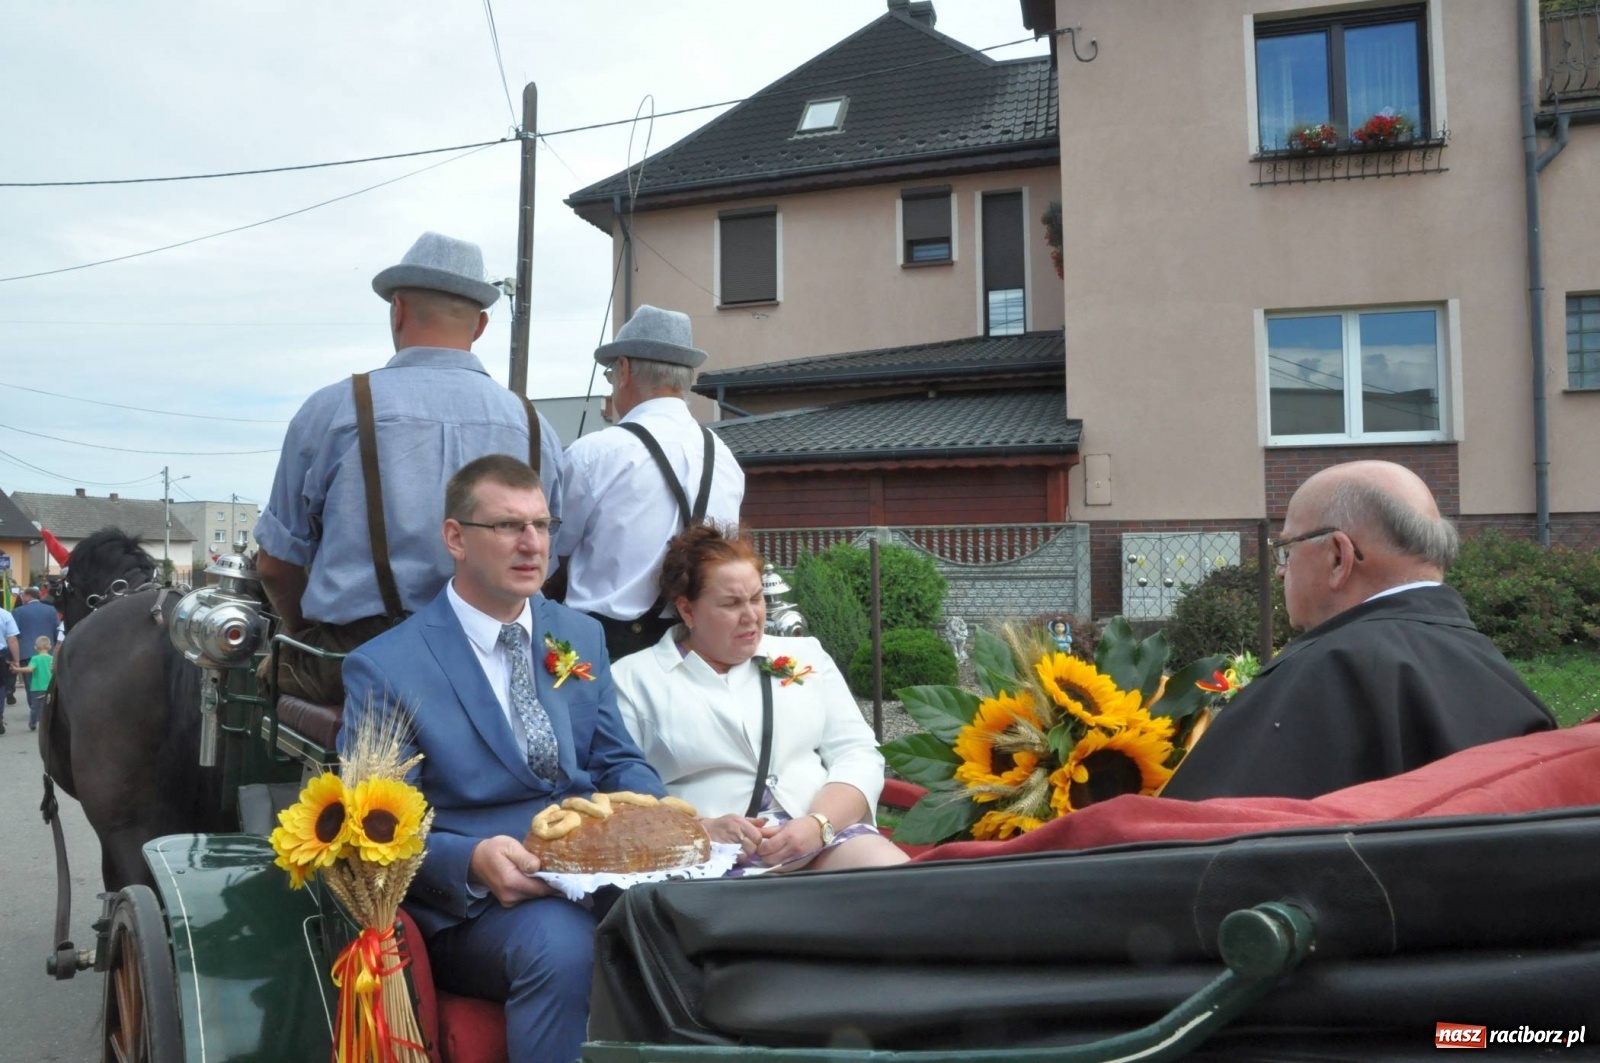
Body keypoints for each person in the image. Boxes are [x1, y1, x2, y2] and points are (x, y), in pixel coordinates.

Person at [339, 454, 670, 1063]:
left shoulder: (578, 634)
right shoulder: (386, 667)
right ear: (455, 539)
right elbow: (370, 829)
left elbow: (619, 761)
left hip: (593, 871)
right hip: (478, 907)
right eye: (508, 526)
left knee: (700, 914)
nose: (531, 544)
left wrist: (655, 815)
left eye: (543, 526)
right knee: (563, 945)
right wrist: (470, 861)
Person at [255, 232, 564, 705]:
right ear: (480, 326)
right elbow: (546, 562)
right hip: (498, 664)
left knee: (251, 679)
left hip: (358, 662)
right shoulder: (535, 425)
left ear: (397, 310)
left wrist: (304, 634)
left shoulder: (334, 411)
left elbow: (276, 567)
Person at [1162, 460, 1555, 801]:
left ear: (1338, 557)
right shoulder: (1498, 676)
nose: (1281, 569)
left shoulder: (1324, 670)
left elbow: (1193, 842)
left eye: (1286, 550)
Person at [613, 524, 909, 873]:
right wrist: (698, 830)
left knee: (900, 883)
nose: (751, 616)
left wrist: (819, 824)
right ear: (687, 610)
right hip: (710, 858)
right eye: (731, 604)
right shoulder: (632, 680)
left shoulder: (806, 655)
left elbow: (857, 752)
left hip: (821, 840)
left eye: (756, 598)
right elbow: (621, 792)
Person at [554, 305, 743, 660]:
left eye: (612, 372)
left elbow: (552, 548)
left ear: (623, 370)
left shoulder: (594, 454)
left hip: (605, 650)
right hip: (697, 649)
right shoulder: (725, 459)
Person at [13, 635, 52, 732]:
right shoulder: (52, 658)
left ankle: (33, 723)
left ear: (35, 647)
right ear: (49, 647)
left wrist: (17, 669)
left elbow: (30, 669)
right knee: (48, 707)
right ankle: (48, 723)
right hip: (49, 687)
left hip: (37, 687)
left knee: (35, 707)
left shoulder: (35, 658)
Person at [13, 586, 57, 658]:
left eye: (23, 596)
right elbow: (57, 632)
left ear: (28, 596)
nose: (22, 599)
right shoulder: (51, 610)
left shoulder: (18, 611)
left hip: (25, 654)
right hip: (48, 653)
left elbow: (13, 634)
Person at [0, 602, 17, 729]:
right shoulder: (5, 615)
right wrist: (16, 660)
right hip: (0, 654)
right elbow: (12, 639)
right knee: (0, 686)